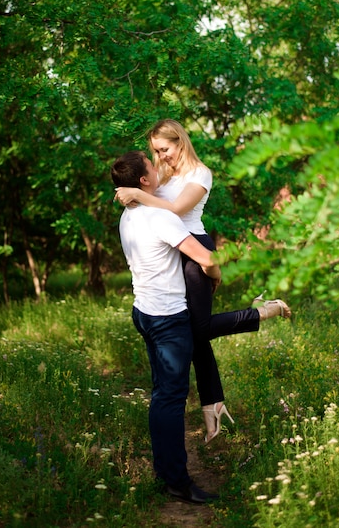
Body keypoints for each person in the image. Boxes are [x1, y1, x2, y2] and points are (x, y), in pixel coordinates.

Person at [115, 119, 291, 444]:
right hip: (173, 254)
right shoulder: (162, 174)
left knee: (198, 329)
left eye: (164, 149)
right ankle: (213, 403)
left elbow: (174, 208)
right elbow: (151, 209)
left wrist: (137, 193)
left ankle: (262, 312)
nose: (160, 157)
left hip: (196, 254)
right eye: (155, 151)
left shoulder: (200, 174)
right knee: (193, 332)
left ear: (180, 142)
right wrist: (136, 193)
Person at [111, 150, 222, 504]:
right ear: (144, 180)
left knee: (162, 395)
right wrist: (215, 279)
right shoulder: (160, 217)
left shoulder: (128, 216)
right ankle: (177, 480)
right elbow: (207, 259)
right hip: (168, 318)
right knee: (171, 400)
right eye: (151, 165)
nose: (158, 168)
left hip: (143, 311)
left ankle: (165, 473)